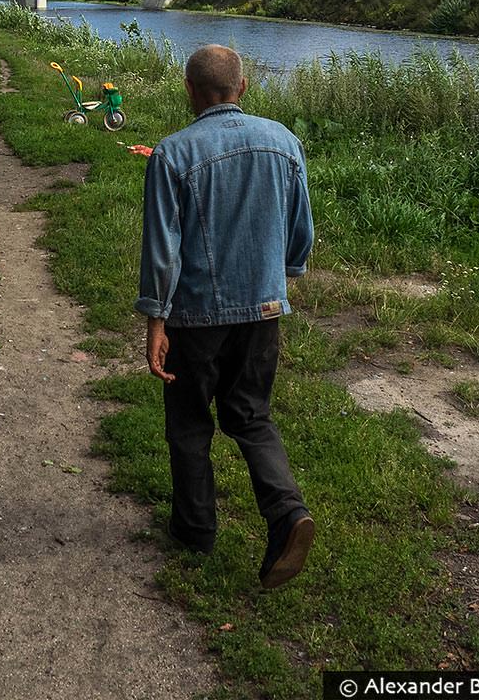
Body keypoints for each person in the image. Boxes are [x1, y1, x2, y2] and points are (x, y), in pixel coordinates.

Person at [137, 44, 315, 590]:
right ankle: (287, 514)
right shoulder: (285, 143)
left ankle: (195, 530)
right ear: (243, 88)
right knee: (250, 415)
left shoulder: (172, 154)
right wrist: (282, 272)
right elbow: (299, 230)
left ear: (189, 91)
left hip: (196, 317)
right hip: (263, 309)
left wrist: (156, 320)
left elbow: (163, 250)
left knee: (190, 424)